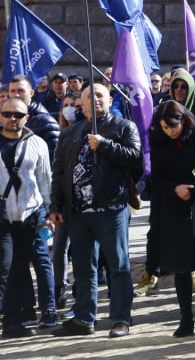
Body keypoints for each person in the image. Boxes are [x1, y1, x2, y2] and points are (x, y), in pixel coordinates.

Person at [48, 83, 142, 338]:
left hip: (111, 209)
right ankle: (83, 318)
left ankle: (122, 317)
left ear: (110, 100)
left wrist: (104, 146)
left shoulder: (123, 127)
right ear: (82, 104)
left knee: (118, 265)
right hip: (78, 212)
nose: (95, 100)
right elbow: (59, 172)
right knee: (83, 267)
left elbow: (136, 160)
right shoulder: (70, 134)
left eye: (100, 95)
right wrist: (55, 206)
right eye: (89, 97)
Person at [148, 101, 195, 338]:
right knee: (180, 268)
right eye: (165, 127)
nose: (170, 131)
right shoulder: (159, 142)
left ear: (184, 120)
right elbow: (155, 182)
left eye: (174, 126)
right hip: (173, 213)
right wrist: (174, 189)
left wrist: (194, 189)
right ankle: (186, 319)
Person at [0, 98, 53, 338]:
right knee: (5, 267)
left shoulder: (37, 144)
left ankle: (13, 321)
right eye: (7, 114)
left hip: (29, 215)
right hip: (2, 218)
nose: (12, 118)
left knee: (20, 268)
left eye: (18, 115)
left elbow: (45, 180)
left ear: (26, 118)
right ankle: (9, 316)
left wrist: (51, 212)